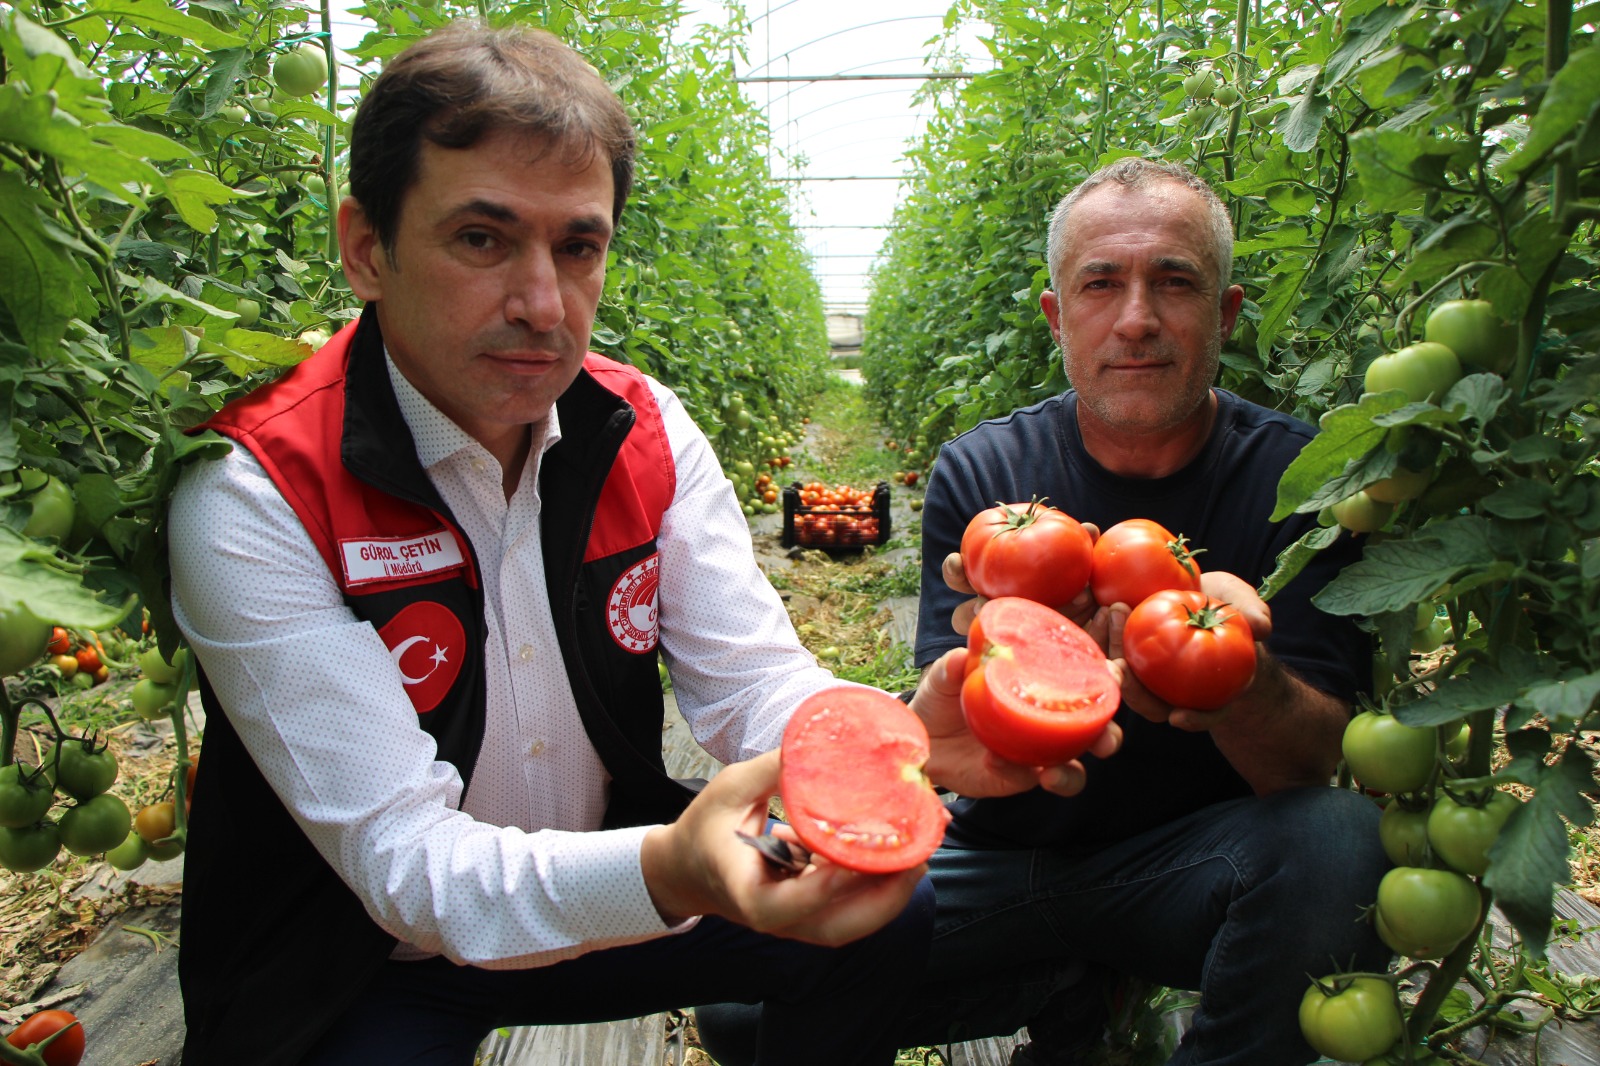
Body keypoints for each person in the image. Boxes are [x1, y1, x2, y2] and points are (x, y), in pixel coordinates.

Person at [167, 22, 1115, 1066]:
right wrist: (670, 869)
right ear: (365, 247)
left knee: (889, 908)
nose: (541, 303)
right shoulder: (260, 487)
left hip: (608, 893)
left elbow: (751, 681)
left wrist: (887, 739)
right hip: (363, 957)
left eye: (578, 246)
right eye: (481, 239)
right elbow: (409, 867)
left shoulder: (639, 430)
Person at [696, 159, 1391, 1065]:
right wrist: (1032, 671)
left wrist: (1237, 680)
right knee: (739, 1003)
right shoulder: (985, 475)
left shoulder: (1303, 483)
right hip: (1003, 857)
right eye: (1101, 284)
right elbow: (962, 745)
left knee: (1342, 848)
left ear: (1225, 313)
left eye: (1174, 282)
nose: (1136, 318)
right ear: (1058, 317)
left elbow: (1308, 762)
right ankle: (1069, 981)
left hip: (1199, 867)